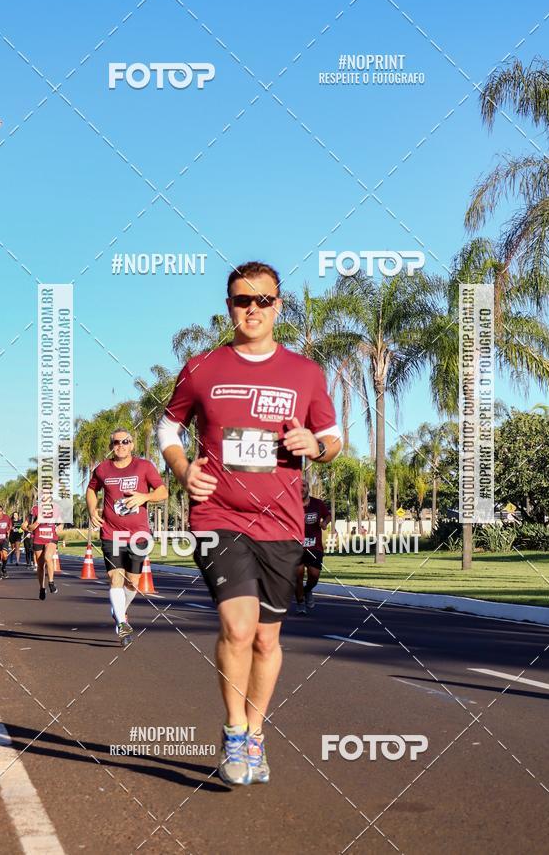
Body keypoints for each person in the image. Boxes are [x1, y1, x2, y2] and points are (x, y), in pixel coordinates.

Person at [158, 261, 341, 786]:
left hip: (281, 522)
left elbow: (332, 438)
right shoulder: (202, 368)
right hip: (218, 515)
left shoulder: (306, 373)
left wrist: (316, 446)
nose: (253, 309)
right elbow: (168, 427)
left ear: (278, 306)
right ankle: (234, 732)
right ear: (229, 305)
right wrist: (182, 467)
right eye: (243, 300)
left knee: (266, 639)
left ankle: (257, 733)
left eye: (263, 300)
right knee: (237, 628)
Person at [86, 429, 168, 648]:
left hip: (138, 535)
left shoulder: (144, 466)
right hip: (111, 532)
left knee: (133, 583)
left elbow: (162, 492)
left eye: (125, 441)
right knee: (115, 578)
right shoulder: (102, 469)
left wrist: (145, 496)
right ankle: (122, 623)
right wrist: (92, 510)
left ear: (132, 445)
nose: (120, 445)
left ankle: (119, 609)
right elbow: (91, 490)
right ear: (111, 445)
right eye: (116, 442)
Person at [295, 479, 331, 614]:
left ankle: (307, 590)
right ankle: (300, 604)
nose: (301, 489)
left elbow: (328, 515)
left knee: (314, 576)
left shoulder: (317, 503)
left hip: (314, 547)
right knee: (297, 576)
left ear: (308, 488)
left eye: (303, 486)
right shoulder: (290, 504)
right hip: (295, 547)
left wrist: (325, 523)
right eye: (298, 486)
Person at [23, 503, 63, 599]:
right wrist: (36, 523)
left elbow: (61, 522)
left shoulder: (56, 508)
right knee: (40, 566)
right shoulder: (35, 509)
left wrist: (60, 526)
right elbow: (25, 526)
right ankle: (42, 588)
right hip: (38, 539)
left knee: (48, 557)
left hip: (51, 538)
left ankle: (51, 582)